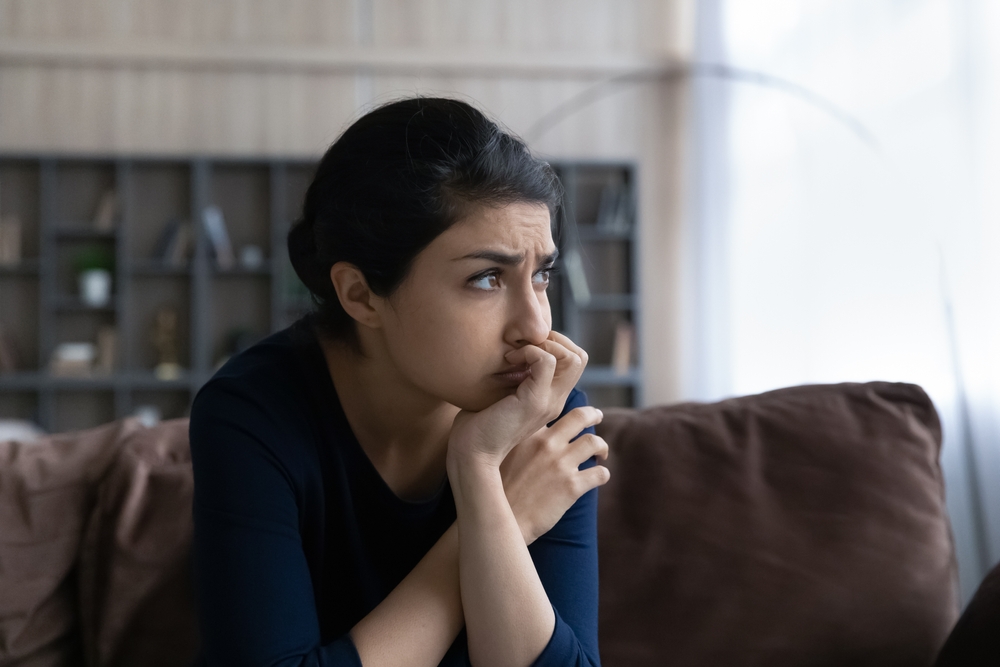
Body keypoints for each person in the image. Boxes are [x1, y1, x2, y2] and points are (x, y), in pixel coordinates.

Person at [189, 97, 610, 667]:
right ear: (361, 295)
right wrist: (499, 506)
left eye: (541, 275)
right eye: (487, 278)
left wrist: (478, 471)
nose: (536, 327)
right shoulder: (254, 414)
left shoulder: (544, 408)